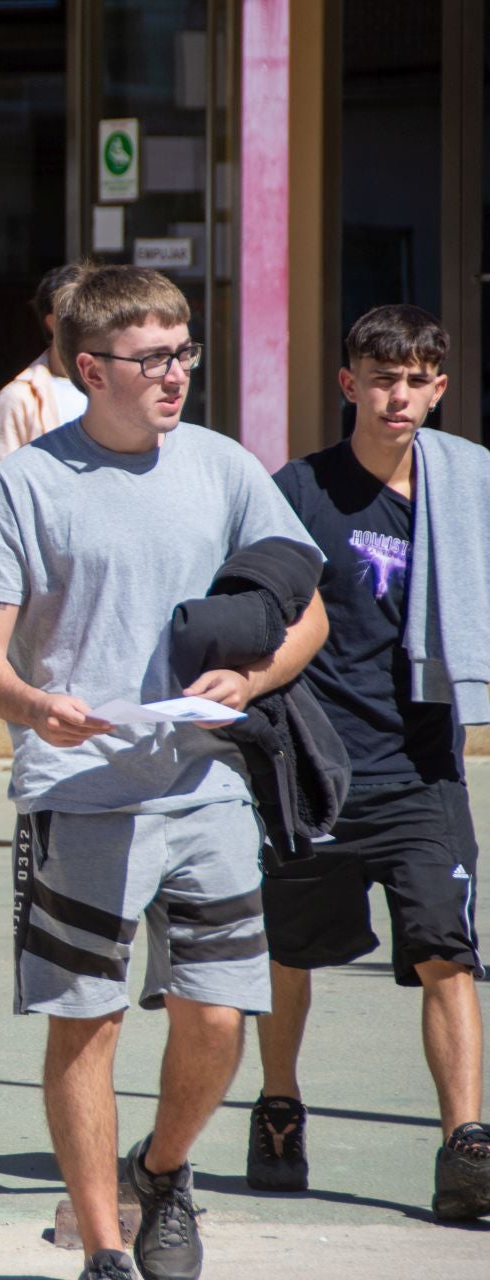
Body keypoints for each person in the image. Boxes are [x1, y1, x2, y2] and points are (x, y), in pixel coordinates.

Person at [0, 263, 328, 1280]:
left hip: (206, 783)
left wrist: (255, 675)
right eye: (151, 356)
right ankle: (106, 1247)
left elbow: (309, 610)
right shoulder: (25, 484)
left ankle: (164, 1168)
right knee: (88, 1020)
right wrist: (34, 707)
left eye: (184, 349)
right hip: (82, 793)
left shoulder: (224, 467)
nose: (175, 373)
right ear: (88, 367)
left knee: (214, 1013)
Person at [252, 304, 490, 1221]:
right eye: (382, 378)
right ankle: (280, 1106)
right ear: (349, 383)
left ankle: (465, 1145)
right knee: (290, 953)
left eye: (418, 378)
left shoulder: (461, 490)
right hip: (314, 764)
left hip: (423, 765)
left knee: (448, 955)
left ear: (439, 387)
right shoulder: (300, 491)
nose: (400, 396)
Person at [0, 263, 88, 476]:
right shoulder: (19, 397)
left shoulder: (123, 385)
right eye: (77, 312)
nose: (91, 320)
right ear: (53, 323)